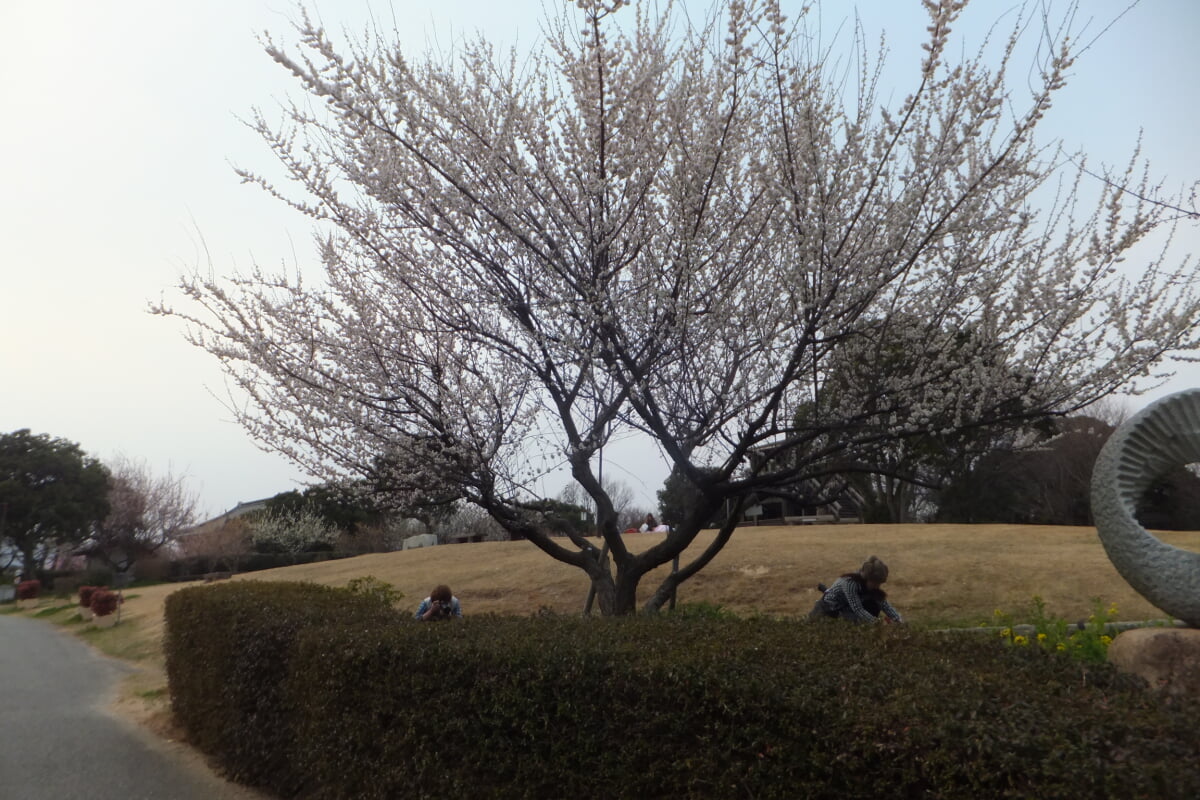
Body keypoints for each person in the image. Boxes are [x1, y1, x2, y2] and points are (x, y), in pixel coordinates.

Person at [808, 555, 903, 624]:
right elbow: (858, 609)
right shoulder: (850, 583)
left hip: (845, 608)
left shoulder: (871, 586)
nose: (877, 586)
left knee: (873, 607)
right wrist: (878, 624)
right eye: (875, 583)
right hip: (828, 609)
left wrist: (898, 620)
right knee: (857, 620)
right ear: (867, 578)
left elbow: (884, 604)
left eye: (879, 584)